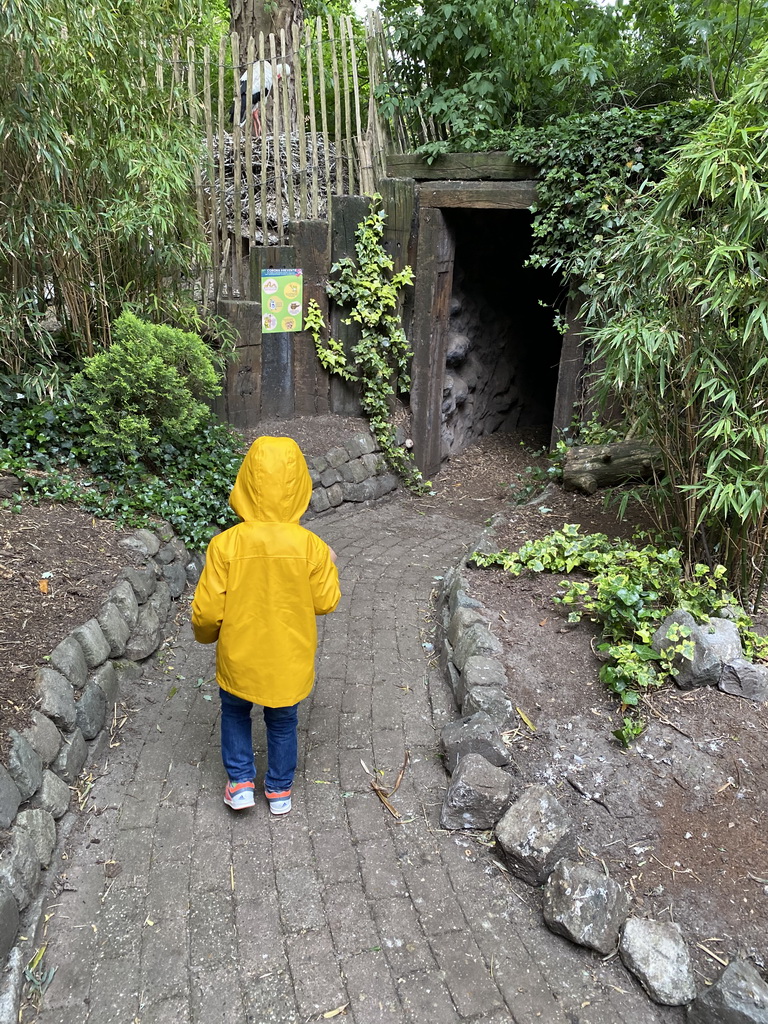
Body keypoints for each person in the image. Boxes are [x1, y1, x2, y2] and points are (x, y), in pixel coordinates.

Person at [191, 436, 340, 815]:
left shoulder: (224, 545)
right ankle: (279, 791)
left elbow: (207, 613)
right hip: (287, 659)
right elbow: (325, 602)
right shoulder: (312, 547)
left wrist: (207, 637)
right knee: (284, 718)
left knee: (236, 711)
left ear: (246, 483)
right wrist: (330, 564)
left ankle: (240, 784)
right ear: (300, 486)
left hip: (240, 655)